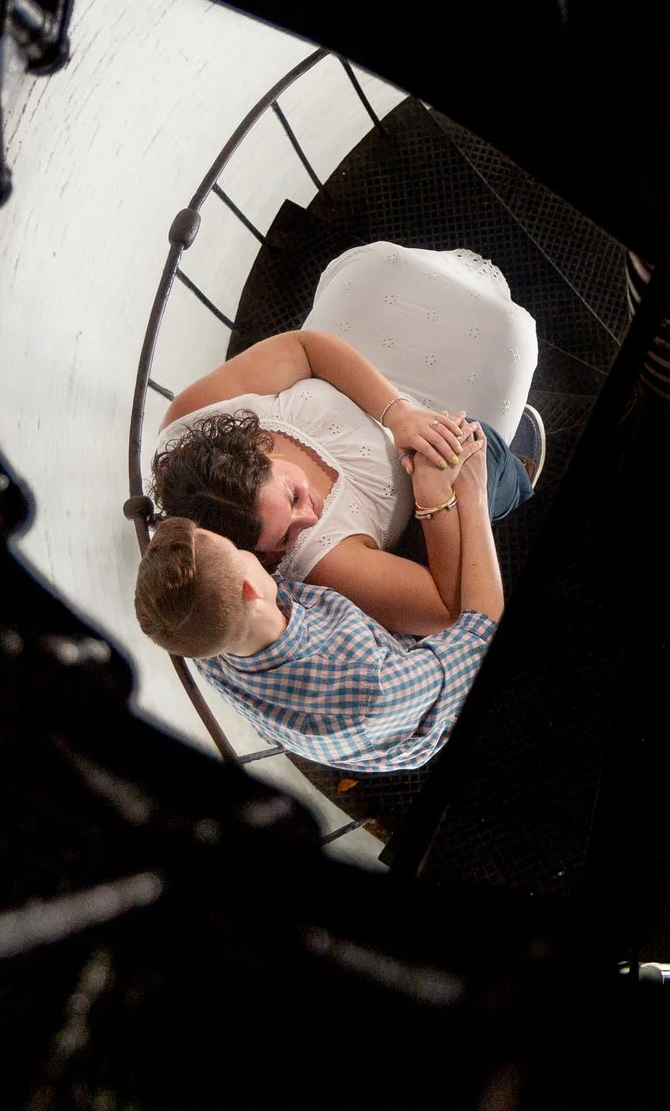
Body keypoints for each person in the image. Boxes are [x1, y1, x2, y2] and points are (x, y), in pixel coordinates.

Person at [148, 246, 540, 639]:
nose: (310, 516)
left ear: (257, 450)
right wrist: (430, 495)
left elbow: (305, 348)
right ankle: (514, 474)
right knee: (486, 449)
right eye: (283, 538)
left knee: (382, 270)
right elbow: (445, 610)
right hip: (434, 459)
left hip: (372, 384)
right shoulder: (320, 560)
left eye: (293, 496)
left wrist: (398, 414)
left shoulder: (191, 417)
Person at [133, 433, 502, 772]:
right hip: (442, 703)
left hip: (370, 677)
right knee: (487, 472)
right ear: (250, 590)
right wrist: (474, 490)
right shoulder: (371, 688)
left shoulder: (206, 632)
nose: (249, 551)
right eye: (235, 549)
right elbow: (482, 631)